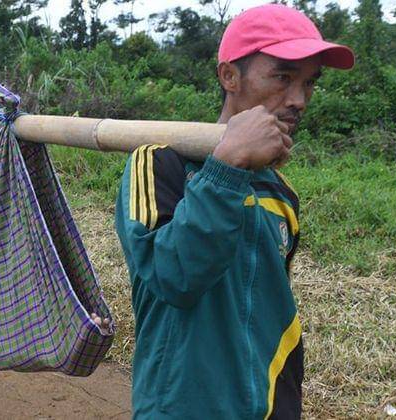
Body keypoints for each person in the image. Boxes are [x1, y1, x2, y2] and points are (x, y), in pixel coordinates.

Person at [114, 5, 355, 418]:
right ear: (229, 76)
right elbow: (175, 278)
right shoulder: (159, 165)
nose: (298, 100)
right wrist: (226, 169)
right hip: (181, 408)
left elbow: (267, 308)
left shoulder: (281, 194)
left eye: (309, 83)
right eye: (282, 77)